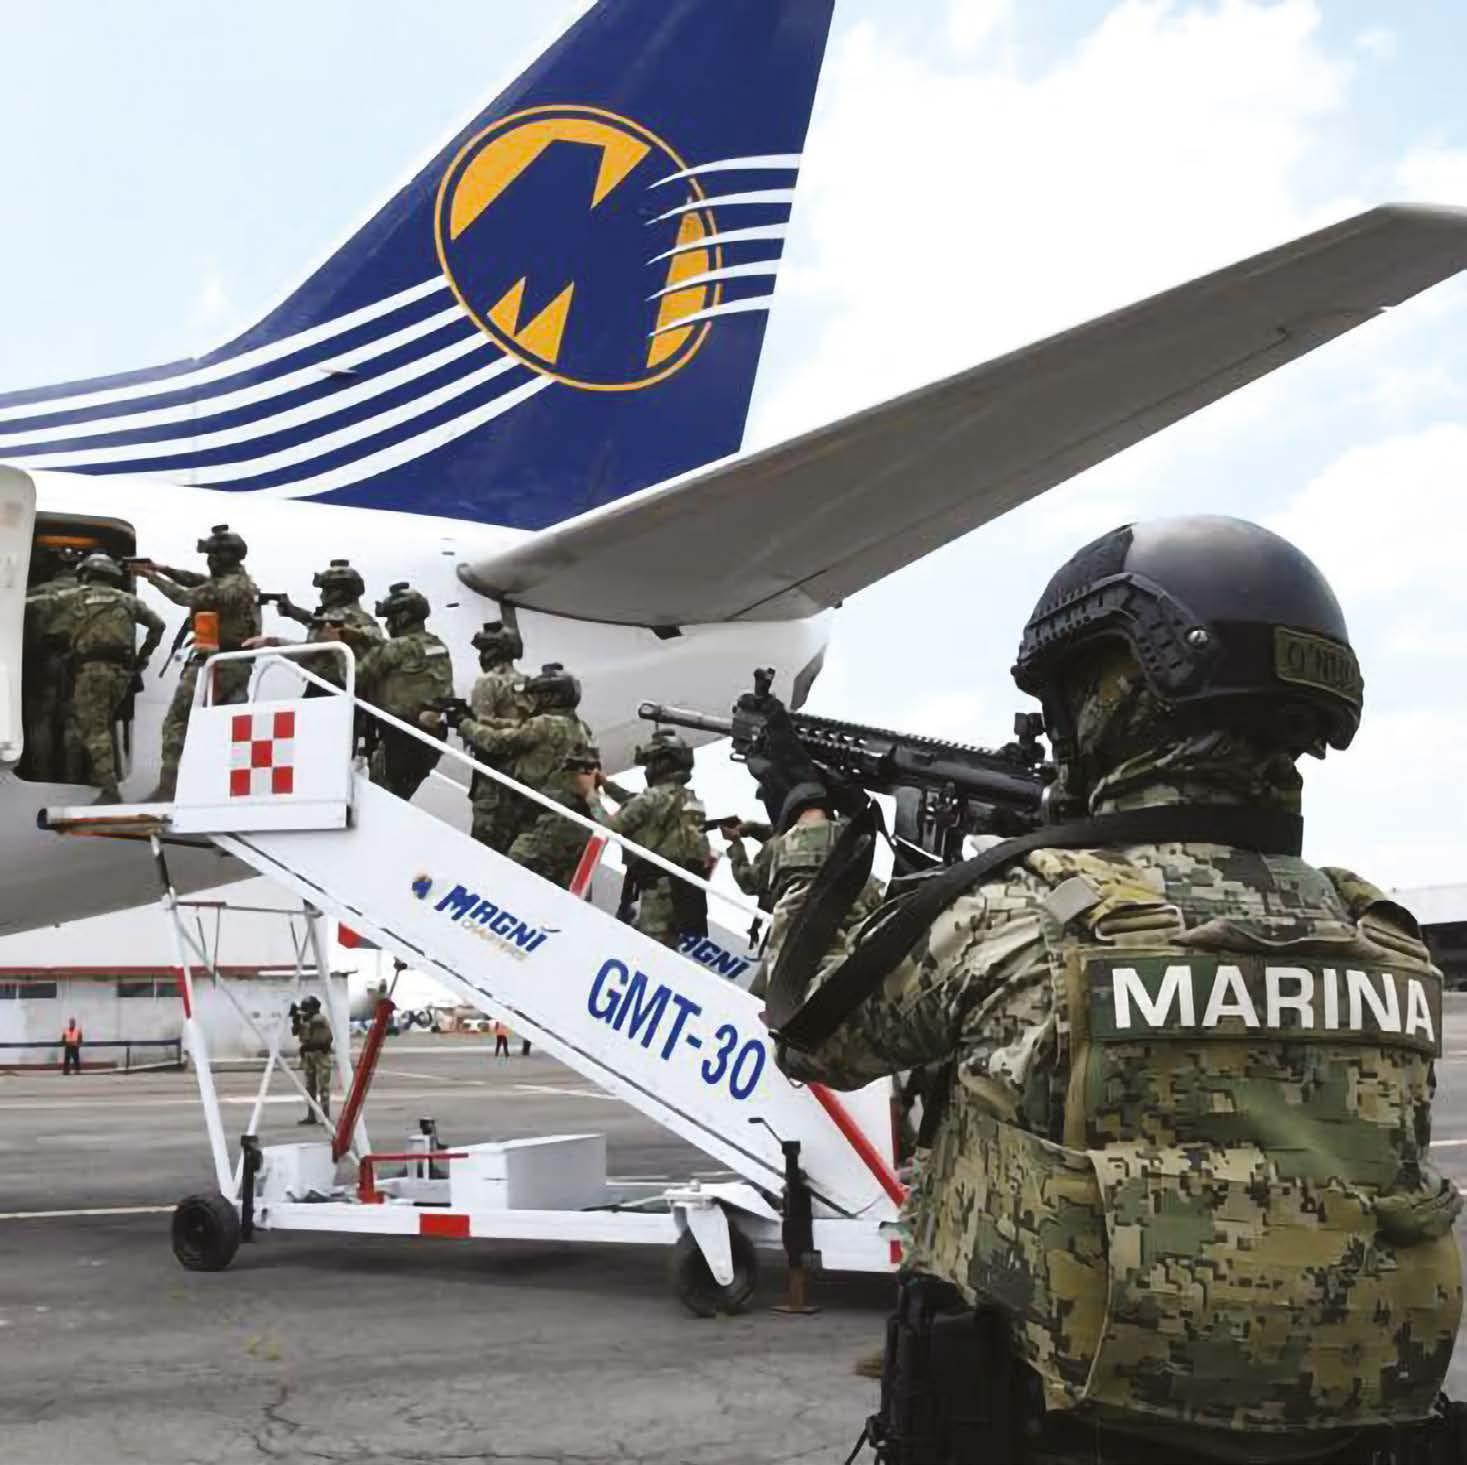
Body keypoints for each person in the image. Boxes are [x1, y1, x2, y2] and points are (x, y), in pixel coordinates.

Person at [751, 516, 1464, 1465]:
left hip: (1051, 1434)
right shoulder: (1384, 939)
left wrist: (806, 825)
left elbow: (811, 1029)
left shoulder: (1022, 916)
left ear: (1118, 698)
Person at [138, 525, 260, 801]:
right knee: (226, 727)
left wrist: (151, 578)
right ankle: (225, 790)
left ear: (224, 557)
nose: (209, 560)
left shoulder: (227, 588)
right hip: (235, 664)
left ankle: (168, 787)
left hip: (219, 664)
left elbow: (186, 597)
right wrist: (162, 569)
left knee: (177, 722)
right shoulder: (237, 582)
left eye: (213, 555)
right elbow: (197, 580)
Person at [438, 663, 592, 856]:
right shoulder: (580, 728)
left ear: (550, 697)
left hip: (530, 810)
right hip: (558, 813)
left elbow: (498, 742)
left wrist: (464, 723)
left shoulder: (544, 724)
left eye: (539, 695)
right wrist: (479, 720)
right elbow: (519, 727)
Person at [62, 554, 165, 804]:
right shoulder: (127, 600)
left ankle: (109, 790)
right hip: (120, 673)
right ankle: (98, 777)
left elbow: (40, 612)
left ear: (86, 574)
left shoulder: (75, 597)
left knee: (94, 728)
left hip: (92, 671)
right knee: (100, 724)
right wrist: (141, 658)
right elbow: (158, 625)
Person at [340, 583, 453, 801]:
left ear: (402, 618)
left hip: (400, 737)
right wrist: (365, 637)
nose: (388, 624)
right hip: (432, 734)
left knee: (381, 799)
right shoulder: (437, 645)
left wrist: (338, 645)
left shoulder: (395, 648)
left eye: (390, 618)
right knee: (400, 794)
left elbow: (353, 677)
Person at [603, 730, 712, 948]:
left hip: (654, 894)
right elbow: (640, 804)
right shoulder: (689, 799)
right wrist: (606, 785)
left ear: (661, 764)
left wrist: (589, 795)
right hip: (680, 896)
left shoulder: (653, 797)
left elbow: (608, 826)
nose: (647, 769)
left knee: (645, 951)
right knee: (664, 950)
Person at [252, 558, 382, 691]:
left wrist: (272, 642)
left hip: (332, 688)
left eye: (326, 590)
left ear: (337, 591)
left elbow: (307, 651)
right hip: (341, 688)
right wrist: (292, 611)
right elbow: (314, 621)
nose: (322, 595)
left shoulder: (344, 620)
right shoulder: (360, 617)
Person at [466, 621, 533, 853]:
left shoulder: (487, 682)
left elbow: (480, 730)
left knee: (486, 851)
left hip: (493, 782)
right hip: (523, 779)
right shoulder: (528, 683)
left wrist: (463, 723)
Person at [506, 743, 607, 888]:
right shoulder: (557, 795)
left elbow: (610, 827)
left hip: (551, 875)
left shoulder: (585, 815)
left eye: (587, 772)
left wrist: (591, 792)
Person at [22, 547, 84, 783]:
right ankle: (72, 777)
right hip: (78, 663)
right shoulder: (90, 595)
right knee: (74, 720)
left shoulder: (35, 594)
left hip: (42, 661)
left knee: (40, 720)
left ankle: (40, 775)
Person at [291, 995, 333, 1125]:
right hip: (309, 1056)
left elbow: (320, 1039)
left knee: (323, 1086)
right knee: (310, 1087)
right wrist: (296, 1020)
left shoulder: (318, 1019)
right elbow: (295, 1032)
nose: (305, 1011)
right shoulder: (307, 1020)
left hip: (320, 1055)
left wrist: (301, 1016)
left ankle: (325, 1116)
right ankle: (311, 1115)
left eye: (307, 1008)